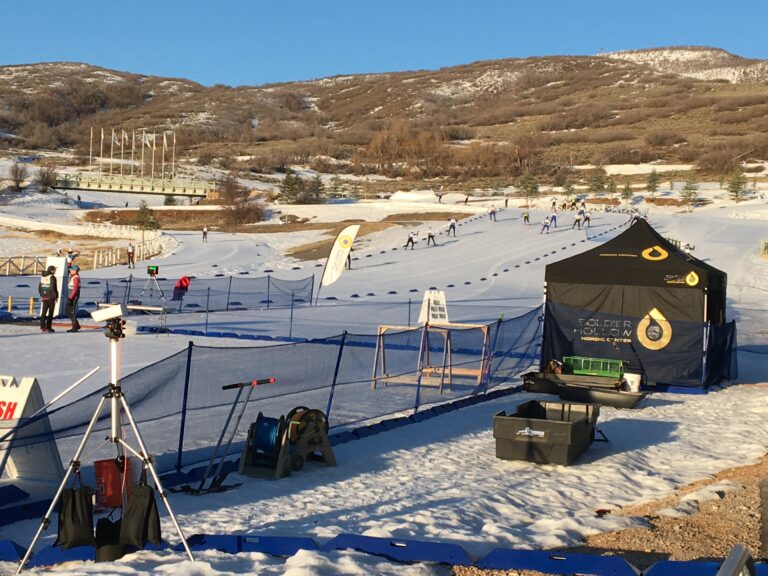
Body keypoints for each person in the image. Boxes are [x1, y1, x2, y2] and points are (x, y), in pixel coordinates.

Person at [38, 265, 58, 333]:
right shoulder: (52, 277)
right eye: (54, 270)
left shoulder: (43, 277)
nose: (55, 271)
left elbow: (39, 287)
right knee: (50, 313)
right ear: (52, 270)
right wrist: (55, 296)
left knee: (43, 312)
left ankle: (42, 326)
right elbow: (53, 287)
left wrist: (42, 295)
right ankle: (48, 327)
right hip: (51, 297)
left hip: (44, 297)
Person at [66, 265, 81, 333]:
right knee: (68, 311)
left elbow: (75, 289)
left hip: (73, 297)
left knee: (71, 311)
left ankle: (75, 327)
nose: (70, 271)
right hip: (71, 296)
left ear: (75, 271)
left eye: (71, 270)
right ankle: (76, 325)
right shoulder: (72, 277)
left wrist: (70, 297)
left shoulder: (75, 278)